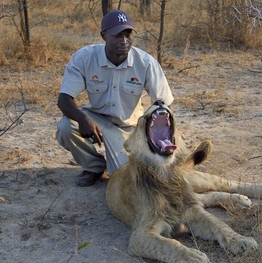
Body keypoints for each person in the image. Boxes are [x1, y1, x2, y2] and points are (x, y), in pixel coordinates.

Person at [56, 10, 174, 186]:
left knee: (124, 178)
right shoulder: (84, 58)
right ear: (103, 35)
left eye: (128, 34)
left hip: (129, 127)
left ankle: (117, 162)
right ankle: (94, 166)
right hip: (95, 117)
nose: (124, 40)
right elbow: (64, 99)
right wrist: (82, 119)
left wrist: (152, 135)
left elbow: (163, 105)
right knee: (66, 126)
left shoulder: (146, 63)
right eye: (118, 35)